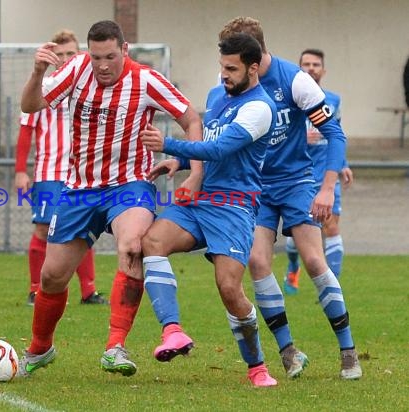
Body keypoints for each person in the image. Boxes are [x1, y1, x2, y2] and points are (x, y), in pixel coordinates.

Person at [17, 20, 203, 378]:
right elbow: (32, 103)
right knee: (53, 277)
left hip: (130, 185)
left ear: (125, 50)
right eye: (96, 56)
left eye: (111, 57)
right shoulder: (76, 70)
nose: (102, 65)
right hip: (79, 189)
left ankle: (115, 346)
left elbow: (190, 118)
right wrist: (38, 70)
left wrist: (192, 170)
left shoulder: (146, 80)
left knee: (132, 245)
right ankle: (40, 348)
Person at [219, 17, 362, 380]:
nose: (228, 69)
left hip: (297, 182)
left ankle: (348, 352)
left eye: (236, 60)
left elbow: (335, 133)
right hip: (257, 187)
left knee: (314, 261)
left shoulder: (294, 81)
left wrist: (327, 187)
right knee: (257, 261)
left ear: (255, 55)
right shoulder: (232, 85)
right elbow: (216, 137)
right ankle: (288, 350)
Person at [139, 33, 278, 387]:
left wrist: (167, 142)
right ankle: (173, 332)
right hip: (201, 201)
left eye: (232, 68)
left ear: (253, 67)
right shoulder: (218, 96)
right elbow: (206, 145)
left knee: (229, 288)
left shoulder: (260, 108)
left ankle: (257, 366)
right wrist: (179, 160)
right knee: (152, 242)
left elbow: (219, 149)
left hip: (234, 207)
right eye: (222, 67)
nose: (224, 75)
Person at [15, 29, 107, 306]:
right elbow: (25, 132)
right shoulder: (42, 88)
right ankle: (35, 289)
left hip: (82, 173)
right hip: (48, 172)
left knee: (83, 230)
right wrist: (21, 170)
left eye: (72, 53)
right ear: (53, 56)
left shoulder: (91, 87)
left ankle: (88, 291)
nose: (66, 58)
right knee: (44, 230)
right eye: (61, 53)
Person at [284, 49, 354, 294]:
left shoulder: (333, 100)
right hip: (298, 173)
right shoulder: (290, 99)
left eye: (316, 64)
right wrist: (301, 136)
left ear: (323, 70)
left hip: (326, 172)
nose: (311, 68)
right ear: (298, 68)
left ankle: (332, 286)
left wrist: (342, 163)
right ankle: (293, 266)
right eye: (306, 64)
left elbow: (337, 134)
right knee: (297, 234)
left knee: (331, 226)